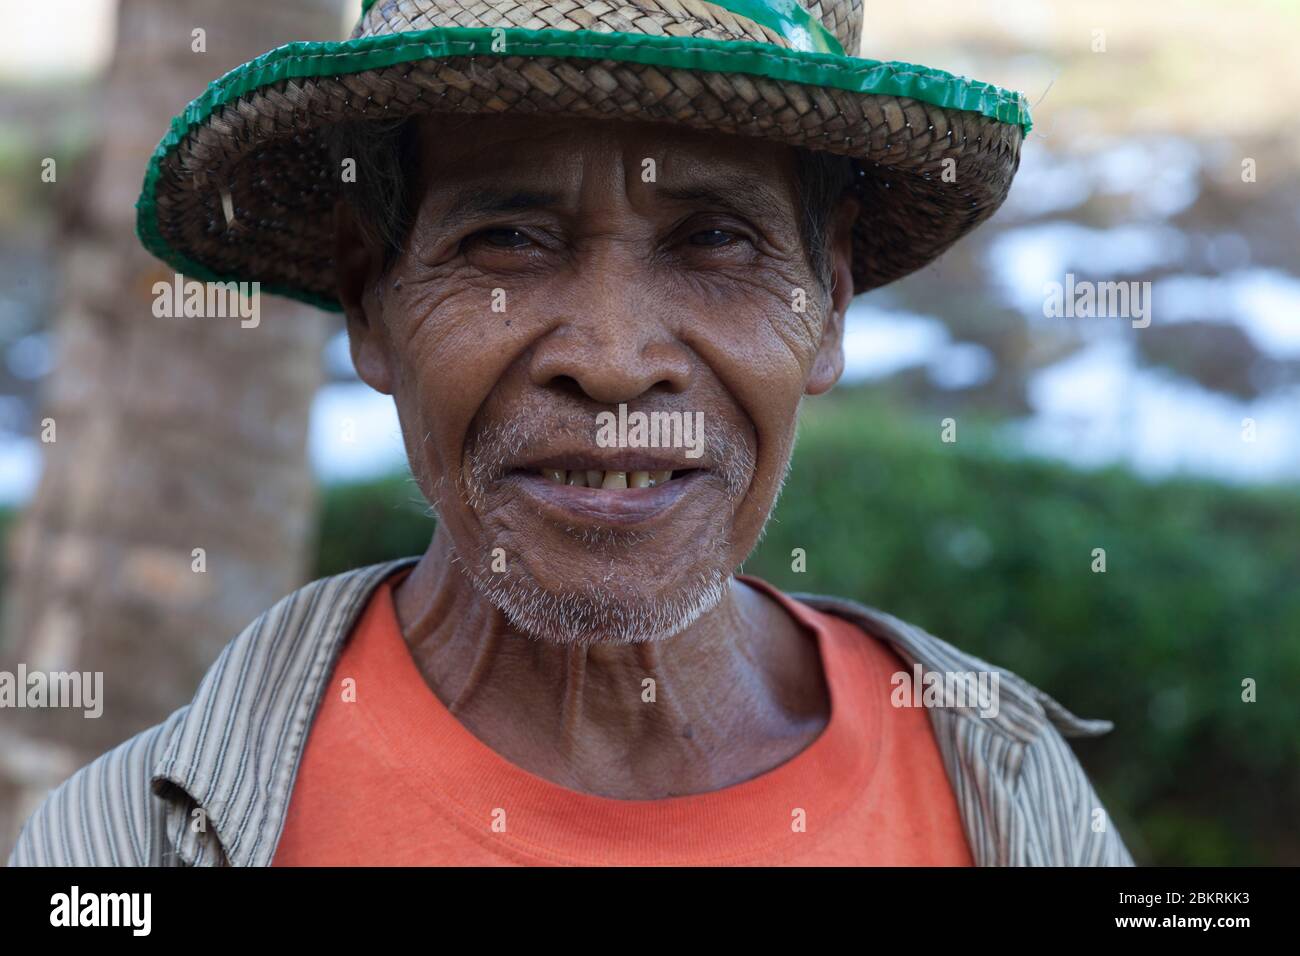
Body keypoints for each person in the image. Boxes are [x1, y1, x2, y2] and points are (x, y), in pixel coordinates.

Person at [9, 0, 1131, 866]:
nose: (608, 355)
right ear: (369, 299)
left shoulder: (1000, 794)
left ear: (827, 304)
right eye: (505, 238)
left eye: (715, 239)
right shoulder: (128, 847)